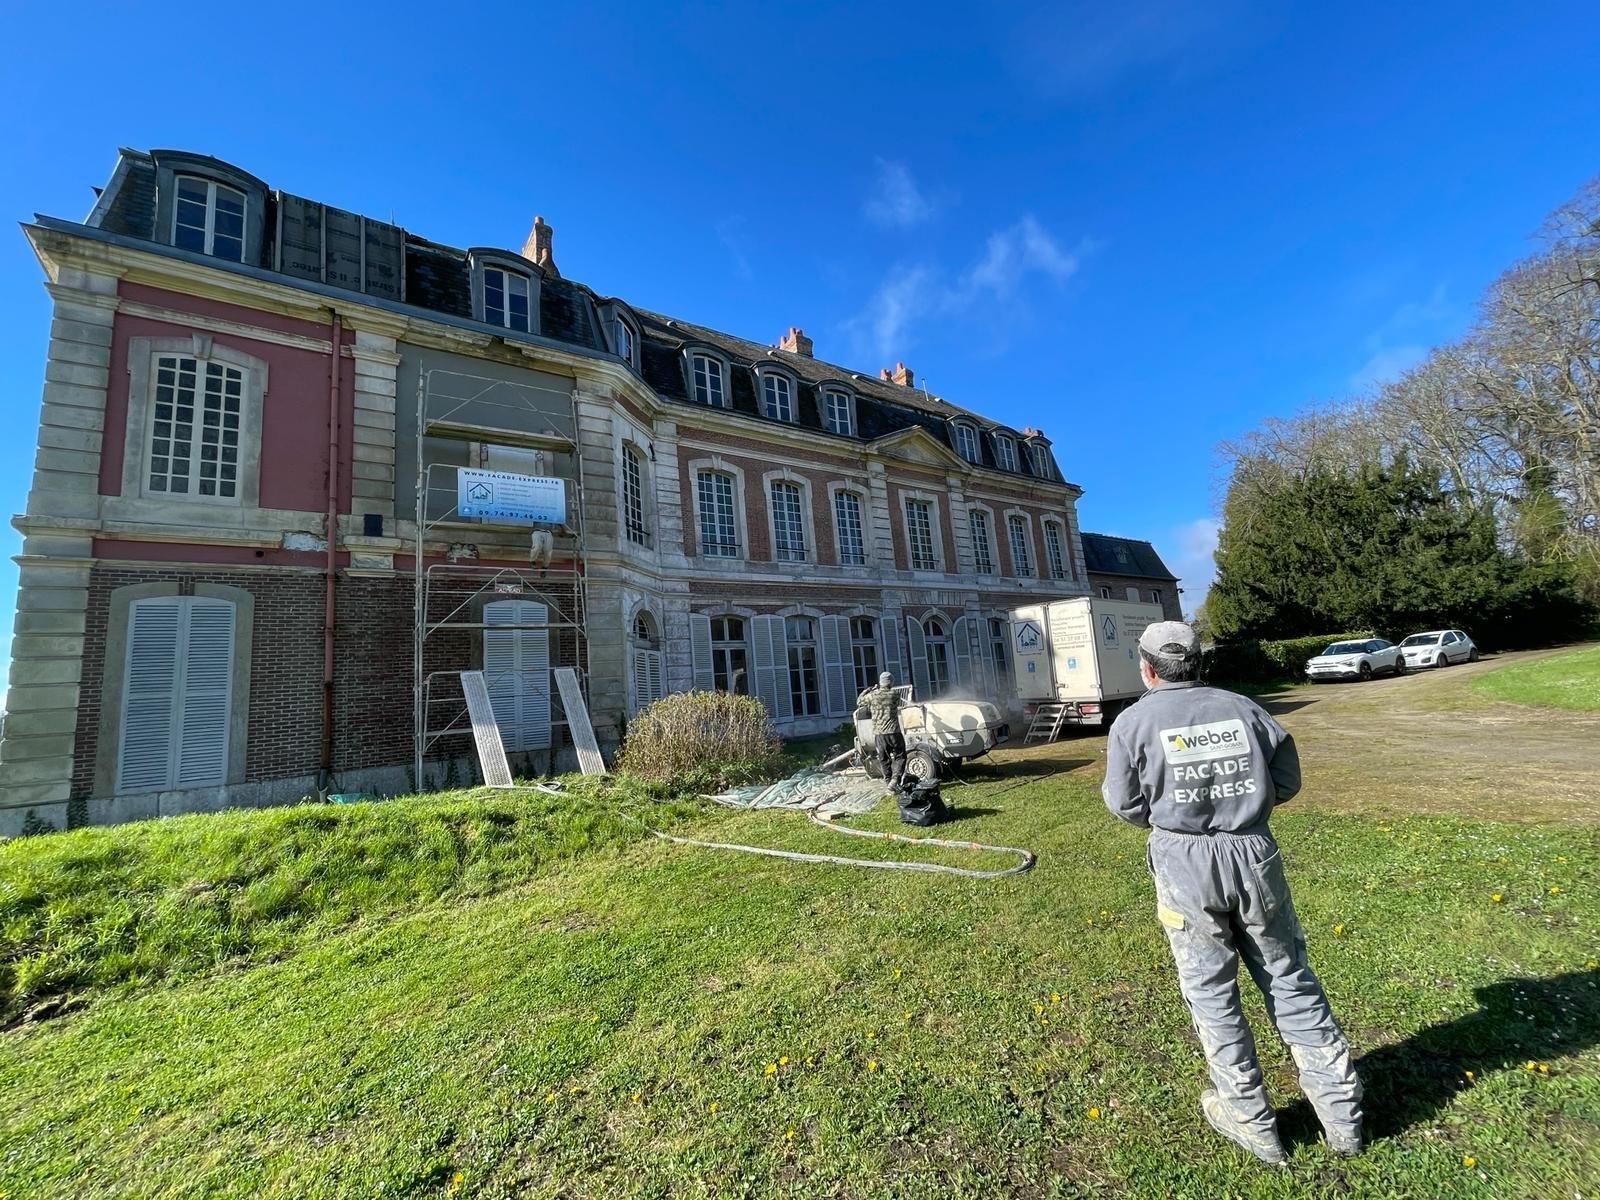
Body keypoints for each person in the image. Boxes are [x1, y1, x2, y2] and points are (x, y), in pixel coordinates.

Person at [1102, 620, 1363, 1165]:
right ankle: (1343, 1117)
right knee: (1288, 977)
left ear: (1147, 668)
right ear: (1200, 663)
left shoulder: (1133, 722)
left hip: (1184, 863)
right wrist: (1242, 807)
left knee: (1210, 991)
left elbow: (1125, 804)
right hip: (1253, 854)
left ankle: (1251, 1121)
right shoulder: (1244, 708)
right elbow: (1286, 781)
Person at [857, 671, 907, 786]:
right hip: (894, 732)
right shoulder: (895, 694)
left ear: (880, 682)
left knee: (884, 759)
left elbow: (859, 701)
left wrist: (868, 690)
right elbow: (897, 702)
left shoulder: (872, 695)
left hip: (879, 734)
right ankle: (895, 779)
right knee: (900, 756)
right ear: (891, 682)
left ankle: (888, 781)